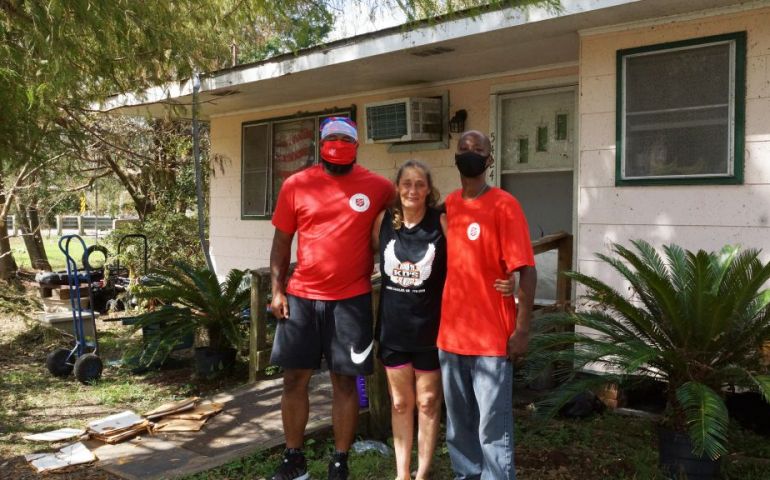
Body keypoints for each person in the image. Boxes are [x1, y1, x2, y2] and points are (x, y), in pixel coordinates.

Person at [269, 117, 393, 480]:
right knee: (294, 380)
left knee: (344, 381)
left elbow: (411, 212)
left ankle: (340, 462)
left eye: (346, 138)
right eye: (332, 138)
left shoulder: (378, 186)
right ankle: (294, 459)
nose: (338, 143)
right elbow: (281, 242)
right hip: (301, 298)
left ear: (357, 145)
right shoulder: (296, 184)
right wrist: (277, 290)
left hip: (351, 301)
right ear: (321, 144)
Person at [437, 130, 537, 480]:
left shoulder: (504, 205)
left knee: (492, 432)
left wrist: (522, 328)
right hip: (450, 338)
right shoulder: (449, 205)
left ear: (489, 160)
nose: (470, 154)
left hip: (492, 340)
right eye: (464, 149)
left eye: (478, 150)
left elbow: (526, 272)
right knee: (458, 429)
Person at [371, 160, 446, 480]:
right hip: (394, 328)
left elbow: (465, 263)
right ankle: (403, 474)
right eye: (406, 183)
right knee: (401, 403)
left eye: (419, 184)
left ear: (429, 190)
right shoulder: (383, 222)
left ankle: (423, 471)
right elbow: (366, 255)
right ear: (397, 188)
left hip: (431, 328)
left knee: (428, 403)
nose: (412, 190)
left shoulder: (440, 222)